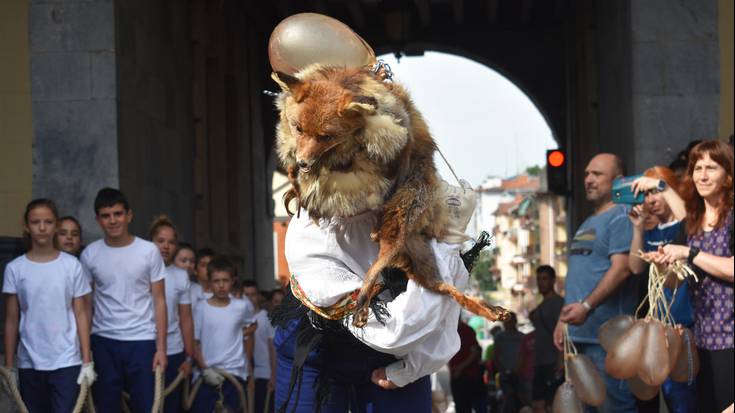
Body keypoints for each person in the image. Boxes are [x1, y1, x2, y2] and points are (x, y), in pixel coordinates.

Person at [648, 140, 734, 413]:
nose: (703, 175)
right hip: (701, 343)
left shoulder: (732, 217)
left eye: (712, 167)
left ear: (728, 175)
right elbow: (676, 281)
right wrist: (663, 266)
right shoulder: (691, 223)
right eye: (698, 168)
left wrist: (690, 253)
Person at [552, 153, 636, 412]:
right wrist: (562, 320)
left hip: (608, 339)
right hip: (578, 337)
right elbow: (580, 272)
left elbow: (622, 270)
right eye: (587, 174)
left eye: (597, 174)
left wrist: (586, 307)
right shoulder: (588, 222)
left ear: (618, 180)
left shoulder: (621, 217)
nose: (588, 179)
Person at [3, 199, 95, 412]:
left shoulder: (71, 266)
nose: (42, 227)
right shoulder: (15, 269)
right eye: (36, 222)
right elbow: (11, 319)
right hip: (29, 361)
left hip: (67, 360)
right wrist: (9, 366)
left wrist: (87, 360)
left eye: (48, 222)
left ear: (56, 226)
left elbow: (81, 313)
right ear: (26, 226)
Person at [80, 188, 167, 412]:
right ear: (98, 220)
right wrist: (86, 351)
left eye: (118, 214)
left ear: (129, 215)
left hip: (142, 341)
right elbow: (86, 307)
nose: (113, 220)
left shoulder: (149, 251)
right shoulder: (90, 254)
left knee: (146, 406)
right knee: (106, 407)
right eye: (106, 215)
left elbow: (159, 301)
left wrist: (161, 348)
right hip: (103, 340)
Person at [629, 166, 696, 412]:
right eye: (645, 194)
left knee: (688, 400)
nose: (650, 200)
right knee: (671, 398)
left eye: (654, 192)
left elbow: (689, 223)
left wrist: (662, 188)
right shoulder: (652, 231)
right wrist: (637, 228)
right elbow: (635, 267)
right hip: (662, 330)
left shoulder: (685, 224)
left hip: (687, 324)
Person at [192, 256, 255, 411]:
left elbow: (253, 324)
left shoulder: (241, 306)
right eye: (216, 280)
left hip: (234, 373)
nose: (221, 285)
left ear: (233, 281)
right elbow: (195, 342)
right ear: (209, 281)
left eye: (225, 280)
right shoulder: (200, 308)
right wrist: (204, 368)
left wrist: (236, 332)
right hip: (206, 374)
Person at [149, 216, 194, 413]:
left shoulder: (180, 275)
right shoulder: (141, 270)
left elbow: (185, 319)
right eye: (160, 241)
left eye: (171, 242)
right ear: (151, 242)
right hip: (145, 346)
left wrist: (189, 357)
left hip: (174, 350)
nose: (166, 246)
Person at [529, 265, 563, 413]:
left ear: (553, 281)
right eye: (538, 279)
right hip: (540, 362)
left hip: (553, 362)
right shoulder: (541, 305)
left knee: (551, 406)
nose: (540, 283)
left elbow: (564, 334)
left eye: (544, 279)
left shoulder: (559, 303)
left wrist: (561, 360)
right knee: (538, 406)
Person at [243, 281, 277, 413]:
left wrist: (273, 375)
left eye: (252, 295)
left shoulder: (267, 317)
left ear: (258, 296)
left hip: (263, 375)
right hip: (244, 375)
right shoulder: (237, 316)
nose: (250, 298)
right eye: (246, 295)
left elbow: (273, 349)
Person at [448, 319, 486, 413]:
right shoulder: (450, 331)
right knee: (462, 406)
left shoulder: (466, 330)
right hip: (458, 375)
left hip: (467, 375)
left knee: (465, 406)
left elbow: (475, 352)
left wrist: (459, 368)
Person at [494, 312, 525, 413]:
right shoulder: (499, 337)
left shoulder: (522, 337)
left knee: (522, 400)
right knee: (508, 400)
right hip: (505, 374)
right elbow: (496, 356)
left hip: (521, 373)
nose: (508, 323)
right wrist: (502, 370)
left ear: (515, 321)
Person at [190, 247, 215, 314]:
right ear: (195, 270)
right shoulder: (188, 291)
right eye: (203, 265)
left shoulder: (225, 294)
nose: (208, 268)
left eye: (210, 265)